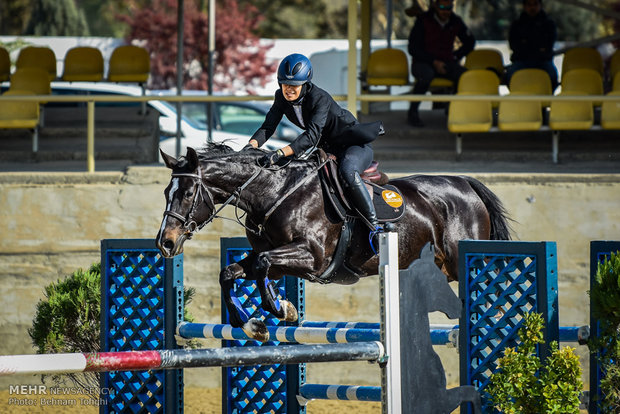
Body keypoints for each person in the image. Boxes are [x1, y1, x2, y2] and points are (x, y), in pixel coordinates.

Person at [247, 53, 385, 249]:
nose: (289, 89)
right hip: (326, 149)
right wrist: (250, 146)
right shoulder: (281, 97)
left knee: (347, 171)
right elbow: (268, 126)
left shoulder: (320, 98)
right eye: (284, 84)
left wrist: (279, 153)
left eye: (294, 85)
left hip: (353, 146)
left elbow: (311, 136)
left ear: (305, 83)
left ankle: (375, 228)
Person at [406, 0, 475, 127]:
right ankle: (413, 112)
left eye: (449, 7)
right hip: (423, 63)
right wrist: (433, 61)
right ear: (436, 6)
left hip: (446, 62)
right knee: (426, 75)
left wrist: (455, 56)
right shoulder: (423, 20)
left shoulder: (456, 21)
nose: (446, 11)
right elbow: (413, 48)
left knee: (464, 76)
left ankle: (453, 108)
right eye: (443, 7)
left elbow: (470, 42)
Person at [505, 0, 558, 91]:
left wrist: (526, 43)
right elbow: (513, 45)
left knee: (552, 76)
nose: (532, 7)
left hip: (543, 61)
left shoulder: (549, 24)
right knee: (510, 75)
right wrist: (536, 46)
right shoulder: (517, 24)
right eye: (529, 4)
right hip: (521, 60)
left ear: (540, 5)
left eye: (535, 4)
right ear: (524, 6)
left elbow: (548, 44)